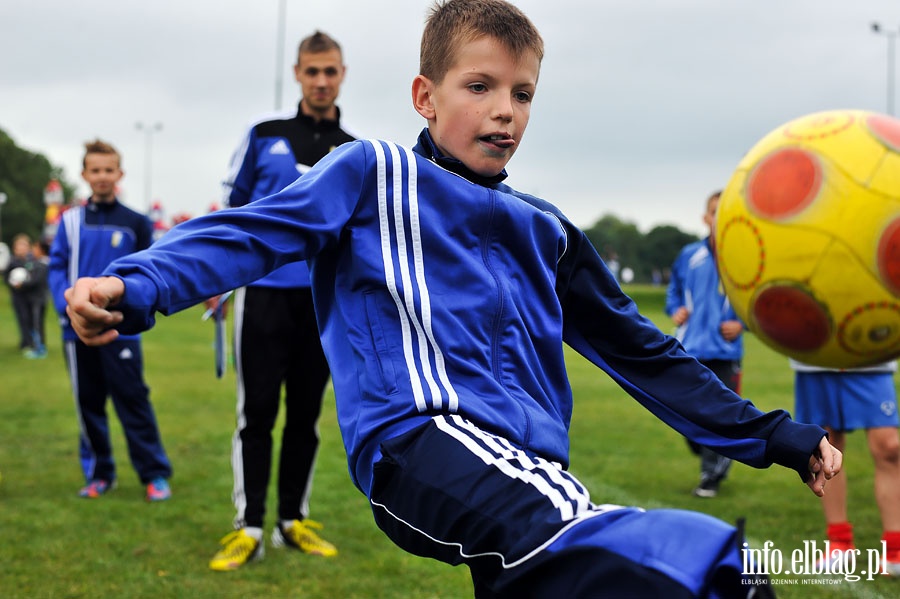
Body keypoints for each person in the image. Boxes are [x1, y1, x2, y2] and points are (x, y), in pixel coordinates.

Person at [64, 2, 841, 596]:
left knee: (561, 546)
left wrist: (775, 434)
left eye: (523, 92)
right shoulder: (370, 172)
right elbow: (248, 232)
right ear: (425, 97)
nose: (506, 109)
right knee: (711, 574)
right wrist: (135, 284)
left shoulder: (548, 231)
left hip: (531, 470)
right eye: (481, 86)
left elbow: (644, 351)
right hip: (418, 443)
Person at [203, 29, 356, 571]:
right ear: (297, 73)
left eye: (330, 71)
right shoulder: (263, 134)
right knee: (257, 413)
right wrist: (218, 276)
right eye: (311, 71)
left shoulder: (354, 151)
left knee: (306, 416)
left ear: (342, 74)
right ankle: (248, 525)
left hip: (320, 305)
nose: (320, 80)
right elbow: (231, 210)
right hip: (263, 297)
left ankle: (292, 519)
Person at [48, 139, 172, 502]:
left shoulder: (137, 223)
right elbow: (57, 267)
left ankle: (154, 474)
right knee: (87, 403)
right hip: (76, 332)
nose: (102, 177)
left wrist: (135, 311)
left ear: (119, 174)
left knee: (133, 400)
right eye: (95, 170)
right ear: (84, 174)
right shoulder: (69, 222)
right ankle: (100, 473)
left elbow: (150, 270)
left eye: (109, 170)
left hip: (121, 331)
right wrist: (67, 305)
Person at [666, 190, 744, 498]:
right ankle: (713, 454)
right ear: (705, 218)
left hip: (725, 353)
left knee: (718, 415)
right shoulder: (689, 255)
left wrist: (742, 324)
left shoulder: (743, 255)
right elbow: (673, 291)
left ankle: (710, 476)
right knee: (687, 417)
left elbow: (761, 302)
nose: (718, 217)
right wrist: (675, 310)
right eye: (714, 212)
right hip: (690, 348)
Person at [791, 359, 900, 574]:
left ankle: (895, 548)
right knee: (826, 446)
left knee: (888, 447)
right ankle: (839, 541)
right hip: (815, 358)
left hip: (870, 358)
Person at [5, 233, 49, 358]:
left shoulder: (39, 264)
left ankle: (38, 347)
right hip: (22, 297)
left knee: (35, 322)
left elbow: (35, 281)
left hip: (36, 299)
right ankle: (29, 343)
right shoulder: (13, 261)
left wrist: (22, 284)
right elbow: (7, 278)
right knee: (26, 320)